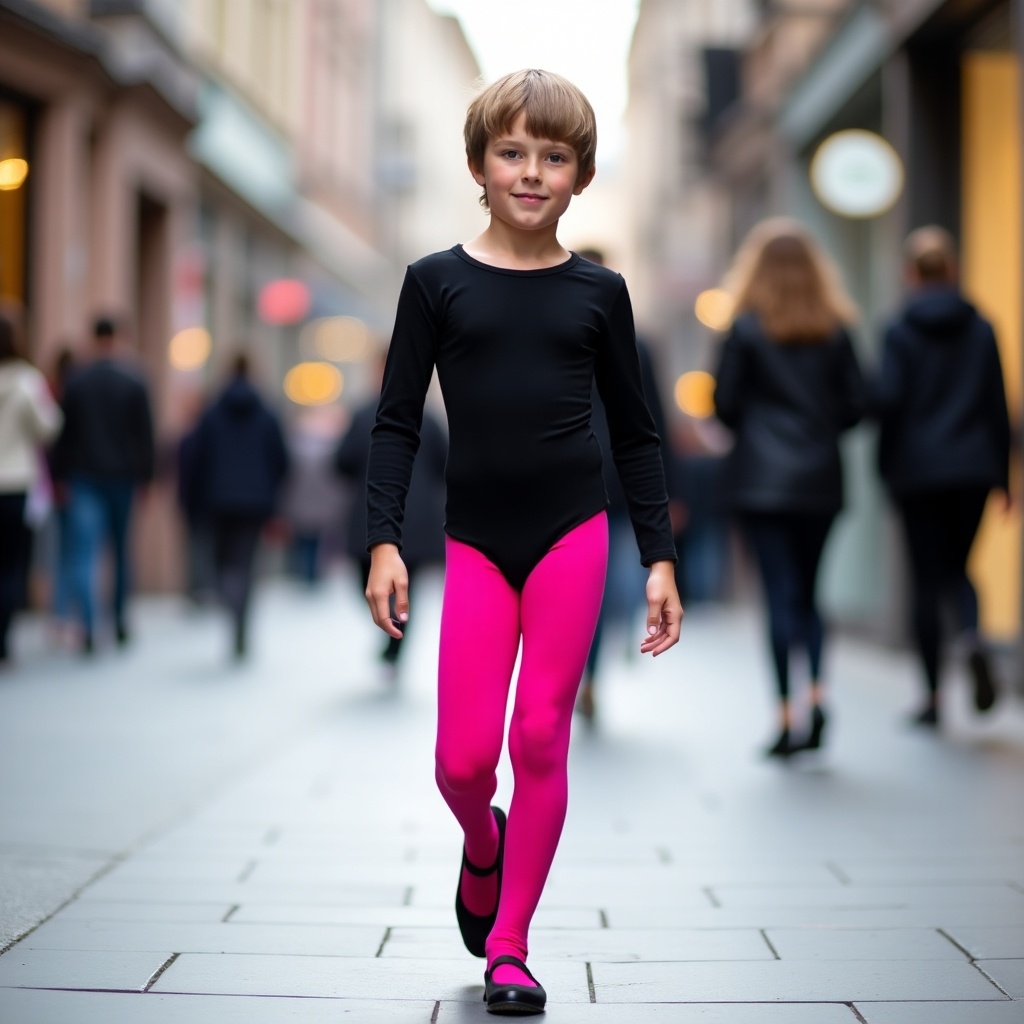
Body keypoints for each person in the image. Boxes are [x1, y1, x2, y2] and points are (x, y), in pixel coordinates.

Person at [364, 69, 682, 1014]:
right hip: (473, 540)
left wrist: (658, 555)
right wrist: (382, 539)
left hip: (571, 535)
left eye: (553, 156)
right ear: (478, 165)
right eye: (513, 153)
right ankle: (482, 843)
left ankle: (511, 945)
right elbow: (394, 425)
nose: (531, 172)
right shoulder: (434, 284)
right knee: (462, 760)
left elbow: (636, 432)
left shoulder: (600, 293)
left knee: (541, 733)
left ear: (580, 175)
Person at [713, 218, 865, 759]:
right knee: (811, 593)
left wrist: (757, 425)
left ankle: (784, 715)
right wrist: (819, 427)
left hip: (760, 480)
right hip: (820, 476)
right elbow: (857, 405)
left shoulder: (746, 328)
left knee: (778, 596)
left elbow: (724, 405)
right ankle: (819, 695)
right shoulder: (836, 328)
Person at [873, 226, 1011, 727]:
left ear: (910, 273)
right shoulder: (982, 328)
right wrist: (1005, 479)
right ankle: (972, 635)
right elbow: (998, 406)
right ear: (952, 269)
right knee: (959, 568)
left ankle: (933, 699)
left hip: (918, 471)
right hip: (973, 468)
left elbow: (887, 403)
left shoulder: (899, 329)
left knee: (926, 580)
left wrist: (885, 468)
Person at [573, 246, 677, 723]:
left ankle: (588, 674)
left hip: (611, 489)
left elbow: (652, 424)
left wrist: (669, 495)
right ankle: (586, 674)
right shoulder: (563, 336)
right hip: (581, 488)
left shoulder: (637, 345)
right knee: (597, 594)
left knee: (608, 594)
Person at [334, 350, 446, 681]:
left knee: (382, 584)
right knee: (391, 587)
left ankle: (394, 641)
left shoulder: (368, 414)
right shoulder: (427, 417)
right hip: (408, 520)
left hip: (381, 518)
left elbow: (342, 462)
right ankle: (393, 634)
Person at [52, 316, 155, 654]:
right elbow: (145, 436)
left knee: (84, 553)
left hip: (84, 478)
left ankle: (90, 625)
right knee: (121, 550)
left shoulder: (77, 380)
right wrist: (146, 478)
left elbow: (63, 435)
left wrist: (59, 476)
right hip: (122, 477)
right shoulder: (134, 379)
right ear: (120, 338)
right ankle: (120, 621)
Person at [183, 352, 289, 658]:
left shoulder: (212, 412)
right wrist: (271, 492)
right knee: (246, 563)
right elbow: (281, 459)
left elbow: (197, 459)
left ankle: (231, 601)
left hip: (218, 500)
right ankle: (240, 617)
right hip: (255, 502)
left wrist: (195, 500)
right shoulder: (267, 412)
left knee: (222, 563)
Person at [0, 312, 64, 665]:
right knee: (11, 565)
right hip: (15, 484)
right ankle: (4, 641)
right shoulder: (26, 381)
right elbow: (49, 426)